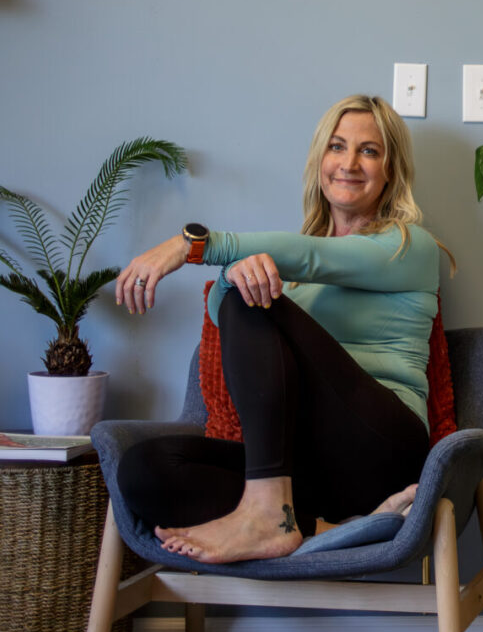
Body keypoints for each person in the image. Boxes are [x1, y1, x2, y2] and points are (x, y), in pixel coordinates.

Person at [112, 94, 453, 564]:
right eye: (337, 147)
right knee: (143, 470)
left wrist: (192, 245)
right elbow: (221, 314)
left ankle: (271, 513)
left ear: (391, 171)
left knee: (249, 295)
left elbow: (313, 255)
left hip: (382, 448)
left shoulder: (408, 246)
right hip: (304, 474)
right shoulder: (290, 277)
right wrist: (233, 277)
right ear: (320, 162)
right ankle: (315, 526)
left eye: (369, 151)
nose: (349, 162)